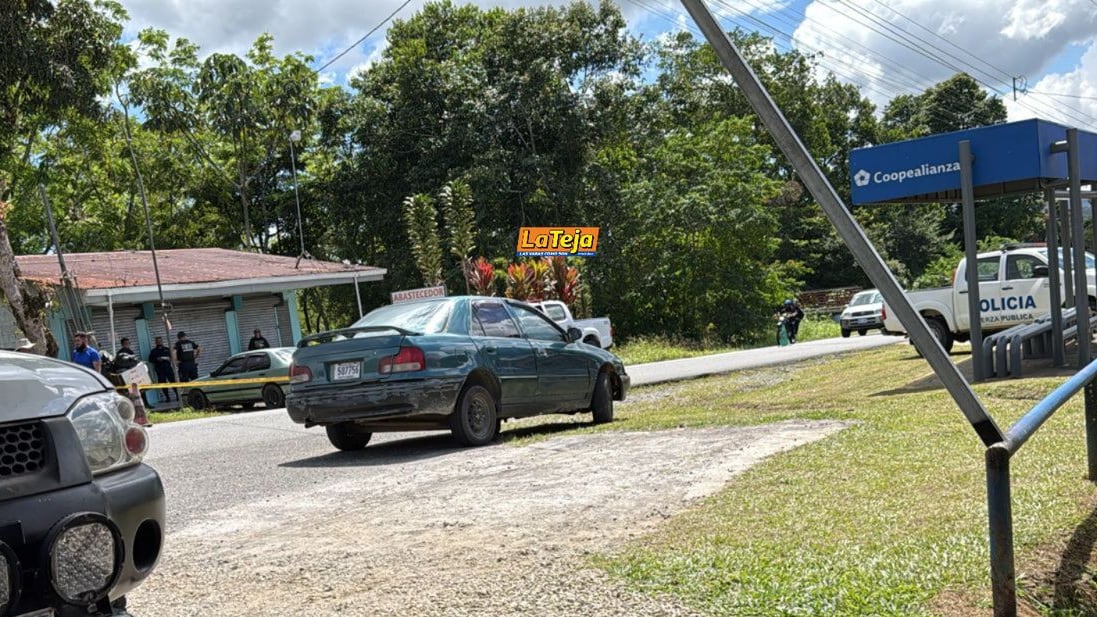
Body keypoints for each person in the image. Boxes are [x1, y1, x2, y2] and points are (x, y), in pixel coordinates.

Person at [149, 336, 179, 402]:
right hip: (160, 369)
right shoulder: (154, 351)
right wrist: (157, 359)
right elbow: (150, 359)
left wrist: (169, 358)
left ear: (162, 341)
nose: (159, 342)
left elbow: (172, 357)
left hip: (168, 368)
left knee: (173, 382)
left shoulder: (167, 349)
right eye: (157, 341)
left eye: (160, 341)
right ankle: (167, 397)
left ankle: (178, 396)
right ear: (155, 342)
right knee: (163, 383)